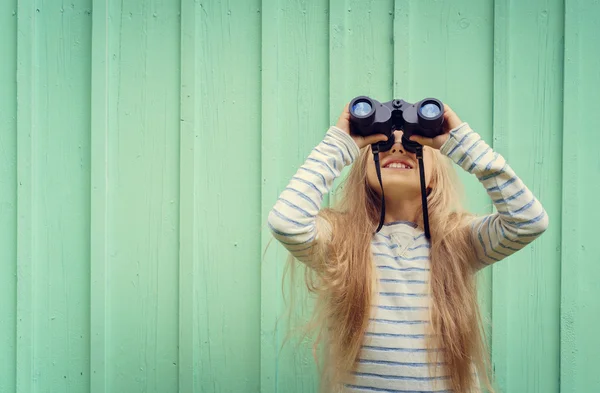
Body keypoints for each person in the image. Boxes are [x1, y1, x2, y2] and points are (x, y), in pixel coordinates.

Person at [267, 102, 548, 393]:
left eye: (415, 145)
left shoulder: (456, 240)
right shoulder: (342, 240)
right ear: (363, 170)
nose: (399, 148)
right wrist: (340, 144)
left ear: (436, 174)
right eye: (386, 143)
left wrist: (460, 143)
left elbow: (528, 221)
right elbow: (286, 222)